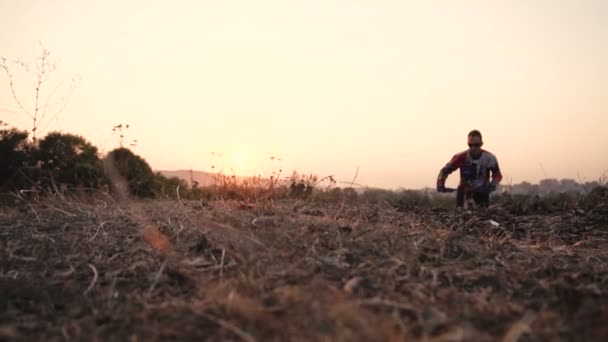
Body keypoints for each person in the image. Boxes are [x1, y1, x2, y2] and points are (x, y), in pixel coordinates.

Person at [436, 130, 502, 208]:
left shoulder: (489, 158)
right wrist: (440, 184)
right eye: (470, 145)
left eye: (476, 145)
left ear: (481, 144)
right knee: (461, 216)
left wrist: (493, 185)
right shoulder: (461, 157)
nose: (473, 148)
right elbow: (444, 171)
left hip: (482, 193)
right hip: (464, 193)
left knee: (482, 217)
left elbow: (497, 174)